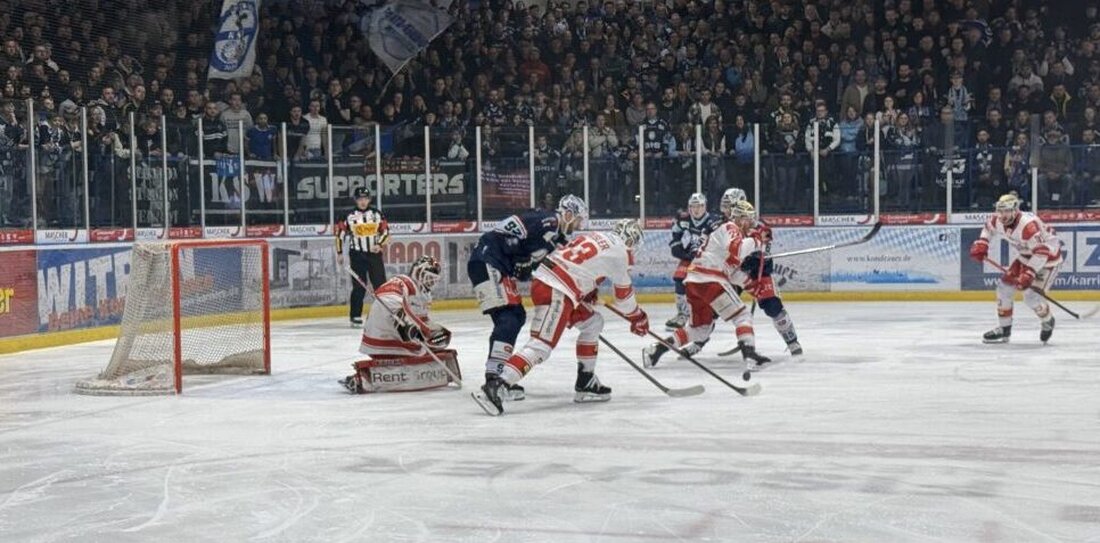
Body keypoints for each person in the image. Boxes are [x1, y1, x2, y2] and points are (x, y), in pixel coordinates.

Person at [474, 219, 650, 415]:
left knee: (593, 322)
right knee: (541, 345)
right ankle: (498, 385)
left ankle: (585, 380)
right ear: (632, 240)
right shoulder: (621, 252)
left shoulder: (593, 236)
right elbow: (624, 299)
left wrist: (588, 290)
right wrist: (638, 316)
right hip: (558, 290)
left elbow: (579, 265)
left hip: (552, 281)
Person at [468, 194, 588, 401]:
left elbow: (527, 259)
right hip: (488, 261)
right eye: (577, 220)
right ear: (568, 214)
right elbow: (512, 237)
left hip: (491, 263)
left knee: (512, 317)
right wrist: (524, 258)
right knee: (510, 317)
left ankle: (495, 375)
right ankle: (494, 379)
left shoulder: (552, 232)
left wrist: (526, 262)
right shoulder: (549, 221)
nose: (577, 226)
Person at [642, 195, 772, 371]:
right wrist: (757, 241)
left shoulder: (727, 233)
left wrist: (750, 285)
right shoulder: (731, 227)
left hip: (694, 282)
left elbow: (730, 269)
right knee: (742, 316)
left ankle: (656, 350)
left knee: (700, 329)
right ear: (740, 219)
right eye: (749, 220)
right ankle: (750, 355)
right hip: (710, 280)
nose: (751, 224)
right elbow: (738, 250)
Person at [340, 256, 460, 394]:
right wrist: (406, 325)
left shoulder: (424, 295)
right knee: (419, 352)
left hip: (397, 336)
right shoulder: (402, 282)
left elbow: (422, 321)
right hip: (384, 335)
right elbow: (388, 300)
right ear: (418, 272)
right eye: (429, 276)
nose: (432, 281)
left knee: (430, 345)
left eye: (434, 278)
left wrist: (433, 332)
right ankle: (365, 378)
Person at [968, 193, 1063, 344]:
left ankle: (1047, 319)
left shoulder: (1028, 226)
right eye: (1000, 211)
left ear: (1015, 210)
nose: (1002, 215)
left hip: (1047, 261)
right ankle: (1004, 328)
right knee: (1004, 288)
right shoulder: (997, 220)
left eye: (1006, 211)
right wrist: (982, 243)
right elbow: (988, 228)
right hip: (1026, 256)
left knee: (1031, 297)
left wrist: (1029, 273)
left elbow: (1042, 252)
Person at [666, 192, 722, 330]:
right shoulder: (685, 219)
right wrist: (677, 246)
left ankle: (711, 310)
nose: (696, 210)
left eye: (699, 206)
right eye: (693, 206)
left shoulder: (714, 221)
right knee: (679, 278)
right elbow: (676, 233)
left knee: (706, 285)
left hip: (708, 258)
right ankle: (682, 314)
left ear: (705, 207)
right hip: (691, 256)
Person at [335, 187, 389, 326]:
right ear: (356, 200)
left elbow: (386, 232)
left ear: (369, 199)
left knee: (380, 285)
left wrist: (380, 245)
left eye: (365, 198)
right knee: (359, 286)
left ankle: (384, 315)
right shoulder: (348, 216)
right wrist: (340, 253)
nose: (363, 201)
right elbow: (339, 235)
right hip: (357, 255)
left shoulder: (377, 214)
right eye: (360, 199)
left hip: (374, 254)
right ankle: (355, 316)